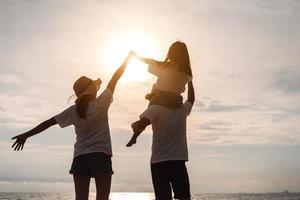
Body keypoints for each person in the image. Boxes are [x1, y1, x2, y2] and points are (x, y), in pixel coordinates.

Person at [11, 55, 130, 200]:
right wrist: (129, 58)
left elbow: (48, 123)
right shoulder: (102, 102)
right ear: (93, 89)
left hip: (80, 158)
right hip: (100, 155)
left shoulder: (72, 111)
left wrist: (26, 135)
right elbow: (116, 77)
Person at [127, 80, 195, 200]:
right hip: (178, 161)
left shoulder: (155, 108)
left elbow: (141, 125)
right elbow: (191, 99)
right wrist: (189, 80)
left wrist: (134, 135)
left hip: (159, 162)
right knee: (184, 197)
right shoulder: (182, 109)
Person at [130, 41, 192, 108]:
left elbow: (150, 61)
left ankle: (152, 95)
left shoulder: (166, 68)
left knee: (155, 85)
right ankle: (152, 95)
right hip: (176, 101)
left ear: (171, 54)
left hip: (159, 99)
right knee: (157, 85)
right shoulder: (187, 73)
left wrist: (136, 56)